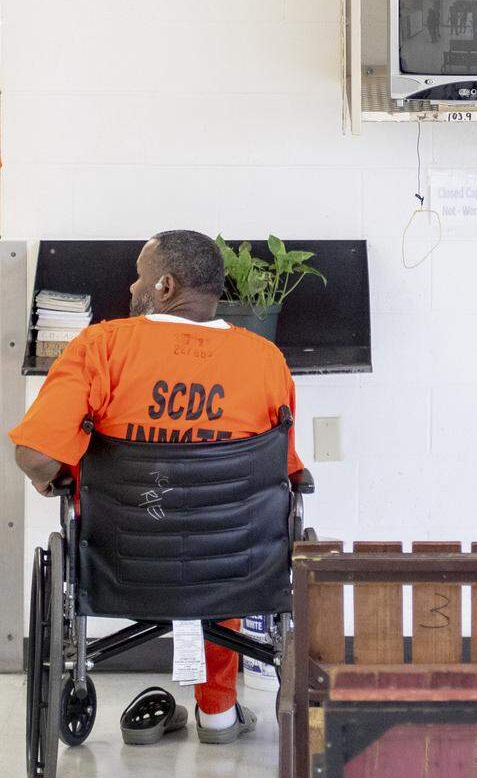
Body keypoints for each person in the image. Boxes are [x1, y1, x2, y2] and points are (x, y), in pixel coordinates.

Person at [10, 230, 303, 746]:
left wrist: (50, 479)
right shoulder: (265, 359)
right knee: (225, 532)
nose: (131, 286)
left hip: (121, 563)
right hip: (230, 567)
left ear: (165, 286)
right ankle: (218, 714)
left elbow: (35, 454)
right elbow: (288, 473)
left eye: (139, 276)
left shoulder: (102, 346)